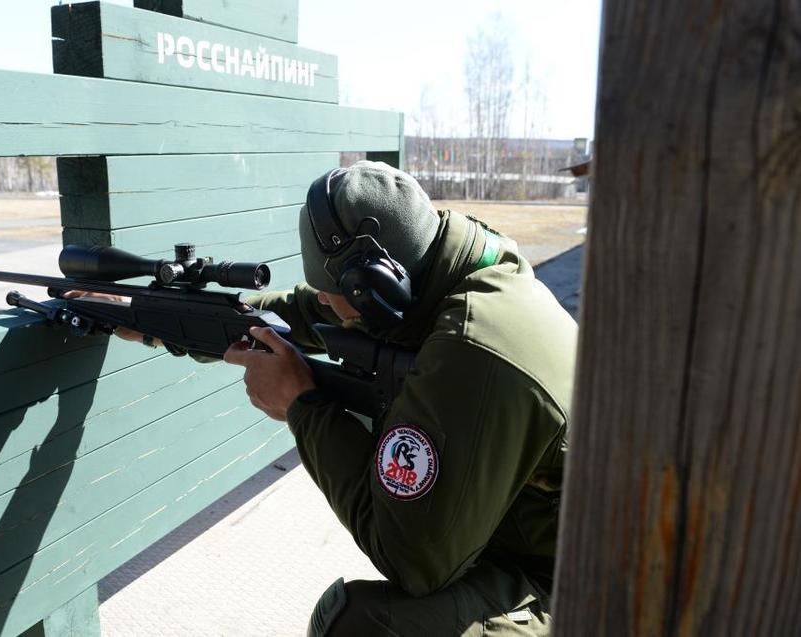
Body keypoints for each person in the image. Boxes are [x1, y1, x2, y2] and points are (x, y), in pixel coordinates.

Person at [128, 161, 577, 635]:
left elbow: (413, 561)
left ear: (375, 287)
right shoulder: (449, 272)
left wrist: (305, 409)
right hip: (528, 539)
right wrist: (157, 323)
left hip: (590, 588)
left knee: (359, 624)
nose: (320, 302)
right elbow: (299, 309)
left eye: (330, 292)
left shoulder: (472, 350)